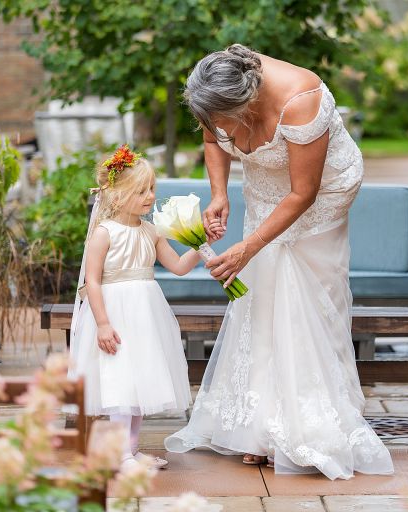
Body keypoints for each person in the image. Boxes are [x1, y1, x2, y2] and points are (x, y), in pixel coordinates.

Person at [164, 44, 394, 480]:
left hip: (319, 196)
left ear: (248, 104)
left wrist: (249, 246)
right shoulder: (216, 83)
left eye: (224, 117)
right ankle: (259, 428)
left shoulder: (300, 99)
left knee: (308, 300)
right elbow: (214, 136)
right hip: (266, 192)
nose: (213, 125)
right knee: (263, 301)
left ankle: (309, 426)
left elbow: (303, 193)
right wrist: (218, 194)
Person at [69, 145, 222, 471]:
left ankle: (131, 450)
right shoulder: (104, 233)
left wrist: (200, 242)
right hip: (114, 314)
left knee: (139, 382)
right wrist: (103, 323)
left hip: (144, 314)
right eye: (141, 191)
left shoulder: (151, 232)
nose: (150, 196)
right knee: (120, 383)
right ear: (117, 195)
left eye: (151, 188)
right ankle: (119, 455)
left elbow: (179, 266)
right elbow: (92, 281)